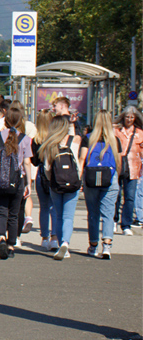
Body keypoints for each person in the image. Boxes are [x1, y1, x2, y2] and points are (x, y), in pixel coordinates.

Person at [0, 103, 31, 259]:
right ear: (20, 121)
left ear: (5, 121)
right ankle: (11, 245)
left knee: (1, 212)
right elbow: (26, 163)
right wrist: (28, 184)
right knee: (13, 214)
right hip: (17, 180)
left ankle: (1, 237)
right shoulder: (24, 139)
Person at [37, 114, 82, 260]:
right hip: (72, 183)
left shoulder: (49, 144)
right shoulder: (74, 140)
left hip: (56, 184)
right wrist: (78, 179)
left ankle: (58, 240)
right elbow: (77, 163)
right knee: (69, 216)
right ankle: (65, 244)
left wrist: (51, 181)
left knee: (58, 215)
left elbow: (47, 168)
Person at [80, 110, 120, 259]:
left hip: (91, 177)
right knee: (108, 212)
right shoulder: (115, 140)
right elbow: (119, 162)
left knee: (93, 213)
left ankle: (93, 245)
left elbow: (83, 158)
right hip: (110, 177)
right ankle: (107, 245)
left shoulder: (88, 138)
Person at [114, 105, 141, 235]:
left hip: (133, 168)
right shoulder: (116, 130)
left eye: (131, 117)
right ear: (122, 117)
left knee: (130, 197)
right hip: (118, 166)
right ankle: (114, 220)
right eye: (127, 117)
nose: (129, 119)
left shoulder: (140, 133)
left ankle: (126, 225)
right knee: (116, 195)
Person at [31, 110, 54, 249]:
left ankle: (44, 237)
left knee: (44, 207)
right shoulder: (55, 138)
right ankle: (55, 237)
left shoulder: (36, 139)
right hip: (54, 173)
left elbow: (34, 161)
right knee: (55, 207)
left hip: (41, 174)